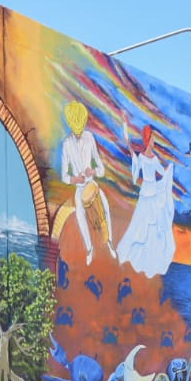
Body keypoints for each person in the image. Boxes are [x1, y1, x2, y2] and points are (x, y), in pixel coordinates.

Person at [115, 121, 177, 277]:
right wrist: (124, 124)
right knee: (140, 225)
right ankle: (132, 256)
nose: (154, 142)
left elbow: (162, 173)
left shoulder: (155, 159)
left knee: (153, 229)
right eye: (153, 139)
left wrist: (169, 170)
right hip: (146, 194)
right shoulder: (142, 157)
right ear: (148, 140)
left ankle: (150, 261)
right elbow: (129, 146)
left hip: (154, 193)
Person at [60, 100, 118, 265]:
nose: (78, 133)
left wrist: (92, 171)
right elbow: (64, 175)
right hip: (79, 188)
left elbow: (101, 169)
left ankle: (110, 242)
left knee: (105, 207)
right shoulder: (66, 144)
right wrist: (75, 179)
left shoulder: (90, 138)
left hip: (92, 183)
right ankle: (89, 249)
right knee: (80, 215)